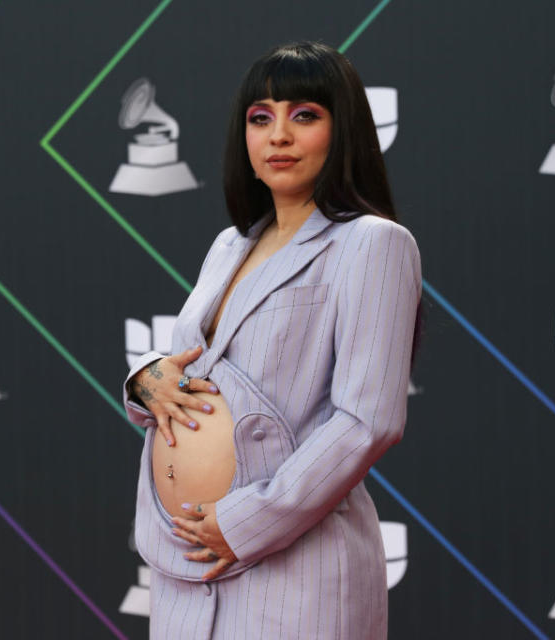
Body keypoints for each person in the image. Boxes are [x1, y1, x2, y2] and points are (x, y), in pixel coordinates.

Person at [122, 41, 422, 639]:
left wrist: (246, 521)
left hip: (294, 565)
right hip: (185, 564)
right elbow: (208, 363)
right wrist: (146, 381)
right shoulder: (229, 244)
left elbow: (369, 419)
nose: (278, 135)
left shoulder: (374, 243)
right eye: (261, 118)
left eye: (304, 115)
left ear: (345, 132)